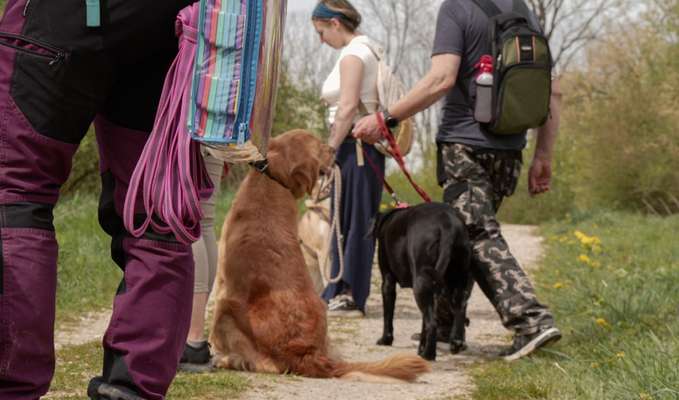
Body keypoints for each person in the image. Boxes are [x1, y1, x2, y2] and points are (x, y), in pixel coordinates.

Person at [0, 1, 197, 399]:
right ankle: (133, 390)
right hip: (168, 22)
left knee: (15, 193)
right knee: (155, 210)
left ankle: (12, 386)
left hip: (62, 16)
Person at [353, 0, 562, 360]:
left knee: (476, 235)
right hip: (510, 148)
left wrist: (386, 118)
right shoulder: (522, 10)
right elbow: (551, 91)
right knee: (459, 239)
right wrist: (543, 154)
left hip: (465, 143)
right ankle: (448, 325)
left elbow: (441, 78)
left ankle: (531, 321)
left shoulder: (457, 9)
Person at [312, 0, 384, 317]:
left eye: (321, 31)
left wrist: (328, 150)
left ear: (335, 24)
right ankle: (340, 287)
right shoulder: (366, 49)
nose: (321, 40)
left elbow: (346, 108)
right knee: (346, 217)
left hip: (355, 146)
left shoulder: (354, 54)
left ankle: (349, 292)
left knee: (353, 219)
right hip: (357, 146)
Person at [179, 150, 225, 370]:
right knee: (204, 221)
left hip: (189, 127)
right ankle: (194, 335)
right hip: (218, 127)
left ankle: (192, 338)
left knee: (188, 218)